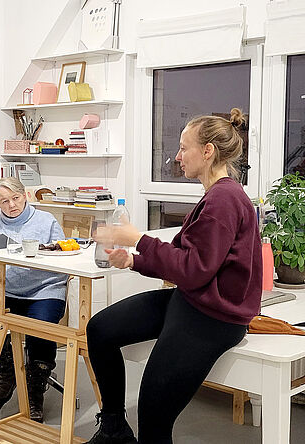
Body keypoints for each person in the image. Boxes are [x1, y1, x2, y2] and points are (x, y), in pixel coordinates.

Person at [84, 108, 262, 444]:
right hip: (192, 299)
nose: (177, 156)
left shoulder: (223, 199)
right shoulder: (216, 195)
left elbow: (193, 271)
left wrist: (138, 239)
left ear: (207, 151)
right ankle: (113, 429)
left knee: (153, 414)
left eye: (184, 148)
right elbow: (186, 261)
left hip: (214, 317)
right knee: (101, 329)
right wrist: (134, 261)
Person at [0, 177, 68, 423]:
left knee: (40, 328)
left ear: (25, 195)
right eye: (4, 201)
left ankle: (36, 385)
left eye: (15, 198)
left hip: (44, 288)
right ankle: (8, 369)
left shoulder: (45, 220)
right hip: (5, 288)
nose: (11, 205)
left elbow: (63, 256)